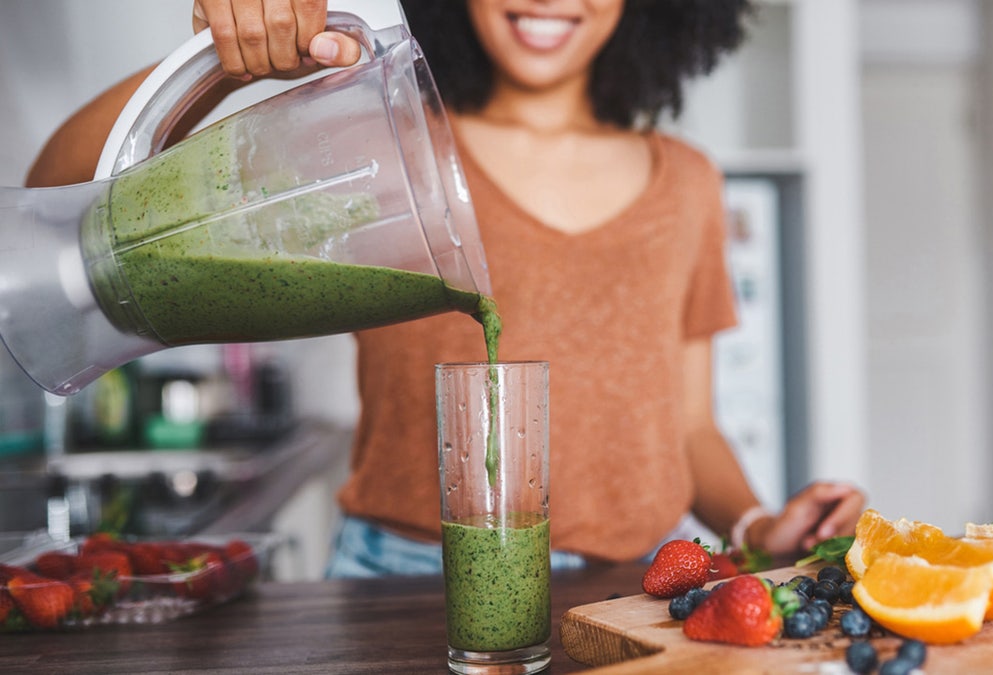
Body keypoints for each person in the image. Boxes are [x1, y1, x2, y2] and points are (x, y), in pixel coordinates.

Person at [27, 0, 866, 576]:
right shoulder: (379, 138)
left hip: (643, 586)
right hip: (399, 579)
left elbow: (688, 425)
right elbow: (57, 188)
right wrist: (235, 62)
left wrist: (759, 527)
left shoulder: (686, 181)